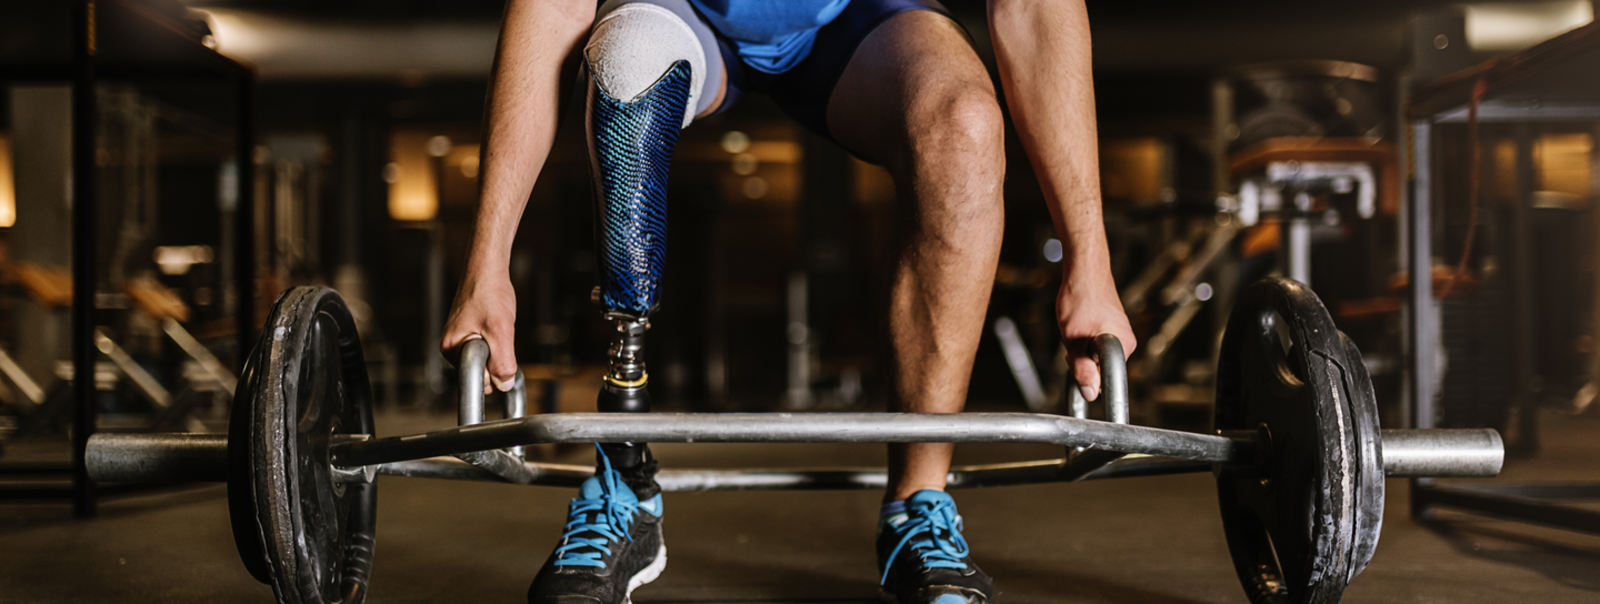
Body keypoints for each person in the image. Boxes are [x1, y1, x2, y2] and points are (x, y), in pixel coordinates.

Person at [441, 1, 1136, 603]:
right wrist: (487, 266)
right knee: (625, 66)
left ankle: (918, 505)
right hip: (686, 13)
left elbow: (1032, 10)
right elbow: (554, 7)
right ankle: (624, 479)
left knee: (966, 125)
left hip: (854, 21)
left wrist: (1090, 262)